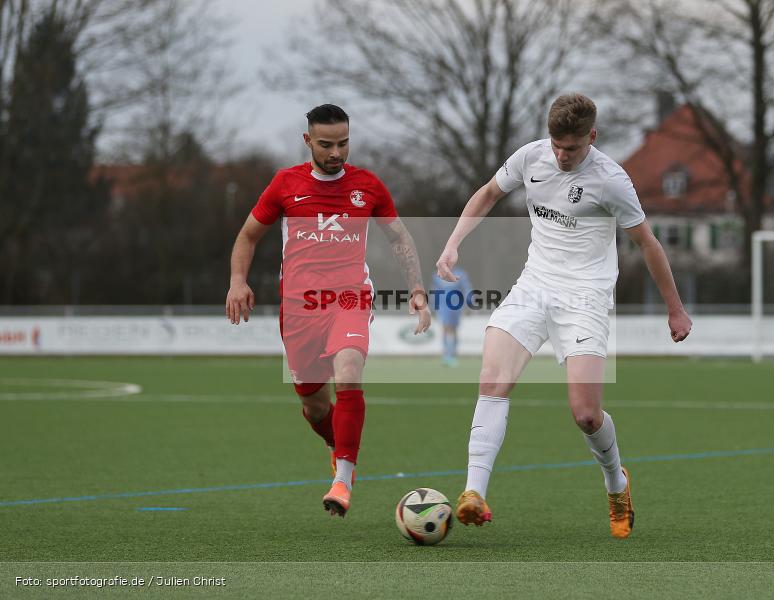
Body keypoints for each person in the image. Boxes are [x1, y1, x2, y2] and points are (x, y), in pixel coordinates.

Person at [436, 94, 692, 539]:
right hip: (534, 285)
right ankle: (473, 492)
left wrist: (675, 307)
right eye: (556, 145)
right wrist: (453, 242)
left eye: (571, 148)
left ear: (591, 137)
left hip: (585, 298)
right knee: (493, 380)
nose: (561, 155)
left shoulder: (612, 181)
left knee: (586, 415)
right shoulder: (531, 157)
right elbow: (489, 193)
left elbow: (648, 244)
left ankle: (617, 482)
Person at [226, 104, 431, 518]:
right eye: (326, 144)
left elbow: (400, 238)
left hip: (350, 297)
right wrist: (237, 281)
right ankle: (335, 446)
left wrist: (416, 288)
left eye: (343, 142)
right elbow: (248, 236)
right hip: (300, 308)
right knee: (316, 407)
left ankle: (343, 478)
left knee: (349, 370)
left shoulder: (368, 186)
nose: (337, 152)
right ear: (308, 142)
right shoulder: (285, 184)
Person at [431, 266, 472, 367]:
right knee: (446, 328)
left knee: (454, 330)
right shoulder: (438, 275)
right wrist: (433, 306)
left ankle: (453, 354)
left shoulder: (461, 274)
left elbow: (467, 289)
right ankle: (446, 356)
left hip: (456, 305)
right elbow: (434, 291)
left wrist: (469, 304)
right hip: (443, 306)